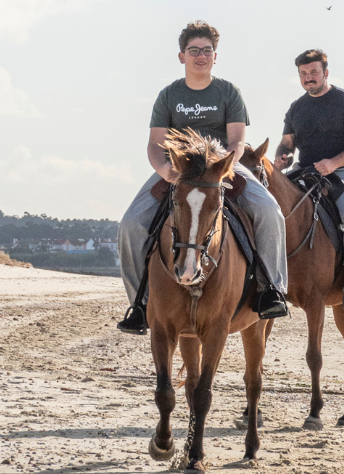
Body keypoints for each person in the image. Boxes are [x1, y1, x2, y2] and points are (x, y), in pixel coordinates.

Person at [116, 20, 289, 334]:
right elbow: (156, 144)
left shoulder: (228, 92)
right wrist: (163, 170)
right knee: (130, 223)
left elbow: (237, 140)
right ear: (181, 56)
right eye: (193, 50)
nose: (201, 56)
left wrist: (223, 166)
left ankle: (271, 289)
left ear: (215, 56)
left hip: (222, 165)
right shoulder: (169, 95)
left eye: (207, 51)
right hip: (179, 171)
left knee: (270, 212)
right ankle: (140, 304)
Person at [275, 49, 344, 311]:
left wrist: (334, 163)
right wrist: (281, 158)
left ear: (325, 73)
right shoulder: (297, 108)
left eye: (314, 72)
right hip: (306, 173)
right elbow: (287, 144)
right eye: (304, 74)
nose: (309, 78)